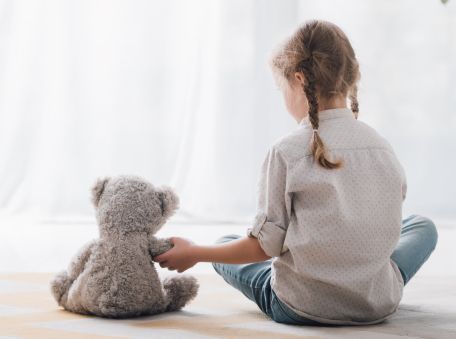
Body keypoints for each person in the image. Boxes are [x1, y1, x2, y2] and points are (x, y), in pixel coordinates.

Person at [154, 20, 438, 326]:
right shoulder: (382, 147)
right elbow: (387, 218)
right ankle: (369, 281)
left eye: (282, 87)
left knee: (226, 242)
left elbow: (263, 247)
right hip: (376, 303)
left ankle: (213, 251)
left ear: (299, 80)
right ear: (350, 79)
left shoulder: (286, 151)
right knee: (423, 226)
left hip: (300, 306)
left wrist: (196, 252)